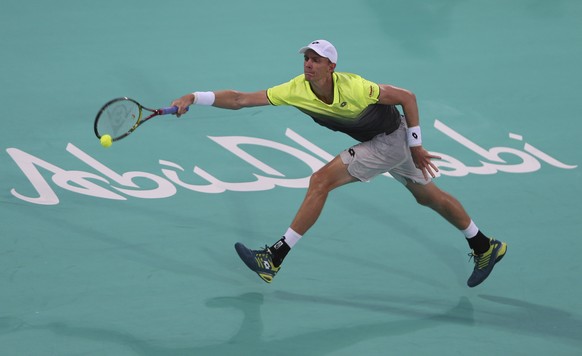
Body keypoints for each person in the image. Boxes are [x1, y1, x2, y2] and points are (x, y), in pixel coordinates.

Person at [171, 39, 507, 288]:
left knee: (320, 181)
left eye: (317, 60)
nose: (309, 64)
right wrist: (194, 97)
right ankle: (483, 245)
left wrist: (416, 145)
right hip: (383, 139)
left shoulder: (357, 87)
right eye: (307, 58)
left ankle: (274, 258)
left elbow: (407, 97)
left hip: (391, 139)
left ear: (332, 67)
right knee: (427, 196)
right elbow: (242, 99)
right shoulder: (296, 89)